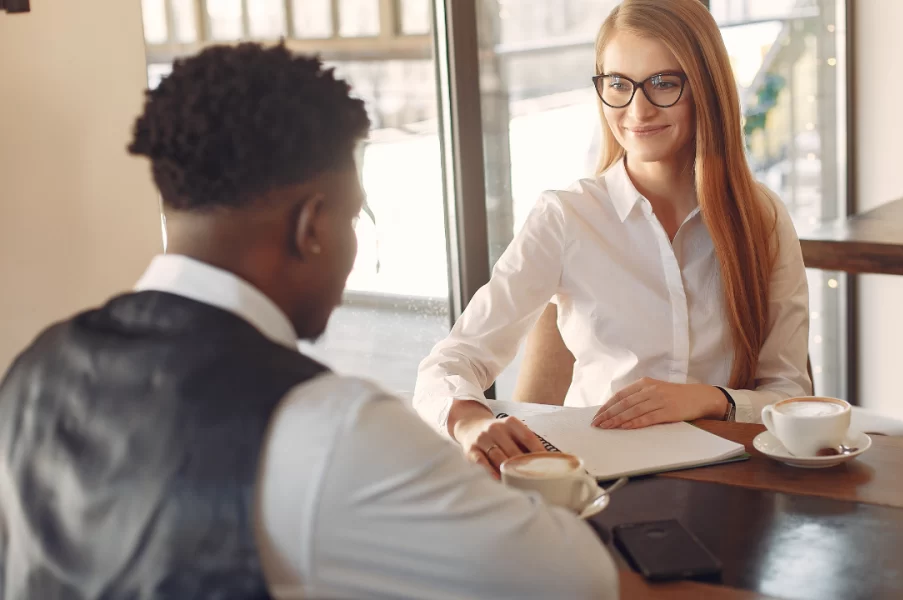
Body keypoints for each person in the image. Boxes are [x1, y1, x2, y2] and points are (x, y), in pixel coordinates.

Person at [0, 43, 617, 599]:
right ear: (312, 226)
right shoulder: (331, 426)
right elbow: (582, 581)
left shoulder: (32, 372)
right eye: (356, 219)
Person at [413, 0, 812, 475]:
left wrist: (704, 400)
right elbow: (450, 363)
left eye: (664, 83)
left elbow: (792, 395)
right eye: (618, 84)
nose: (637, 109)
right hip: (597, 481)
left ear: (704, 87)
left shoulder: (761, 217)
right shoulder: (566, 217)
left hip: (733, 481)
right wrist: (472, 422)